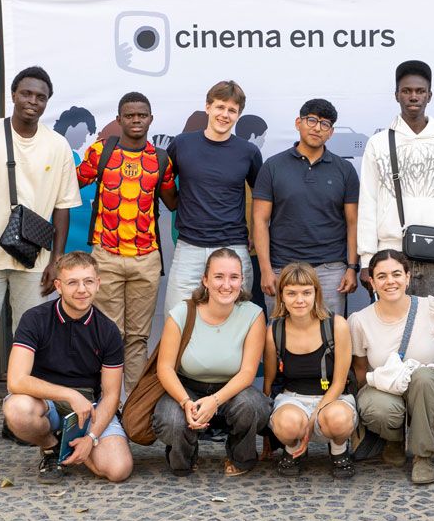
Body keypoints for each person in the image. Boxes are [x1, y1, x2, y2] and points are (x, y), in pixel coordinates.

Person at [0, 66, 81, 453]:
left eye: (40, 97)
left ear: (47, 102)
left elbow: (63, 207)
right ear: (13, 94)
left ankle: (17, 414)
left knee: (31, 340)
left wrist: (56, 261)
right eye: (26, 93)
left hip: (36, 262)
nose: (32, 101)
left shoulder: (57, 145)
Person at [2, 252, 133, 484]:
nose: (82, 289)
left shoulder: (108, 330)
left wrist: (90, 438)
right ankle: (51, 447)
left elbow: (112, 395)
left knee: (118, 470)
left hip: (89, 406)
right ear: (58, 286)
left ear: (98, 283)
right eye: (72, 282)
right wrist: (69, 395)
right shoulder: (35, 319)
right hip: (46, 401)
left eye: (88, 281)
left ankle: (73, 445)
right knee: (16, 410)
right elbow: (16, 380)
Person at [77, 92, 177, 392]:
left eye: (142, 115)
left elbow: (173, 202)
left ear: (151, 119)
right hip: (106, 255)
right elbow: (69, 183)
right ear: (119, 119)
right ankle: (107, 403)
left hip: (146, 260)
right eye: (130, 115)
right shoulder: (100, 152)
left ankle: (132, 406)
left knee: (137, 338)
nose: (136, 120)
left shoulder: (161, 159)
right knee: (109, 335)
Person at [356, 60, 434, 316]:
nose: (413, 97)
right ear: (396, 95)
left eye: (420, 91)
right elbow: (368, 202)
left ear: (429, 95)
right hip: (390, 255)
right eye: (406, 91)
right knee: (392, 329)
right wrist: (366, 259)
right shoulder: (379, 143)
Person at [152, 248, 270, 476]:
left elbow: (248, 372)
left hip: (233, 391)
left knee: (254, 407)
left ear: (242, 281)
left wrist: (215, 401)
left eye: (234, 277)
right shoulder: (181, 313)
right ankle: (184, 457)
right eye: (218, 277)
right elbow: (164, 368)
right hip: (187, 389)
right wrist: (186, 402)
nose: (226, 285)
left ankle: (241, 457)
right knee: (171, 421)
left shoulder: (253, 314)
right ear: (205, 280)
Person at [349, 249, 434, 484]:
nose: (390, 281)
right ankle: (393, 439)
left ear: (407, 277)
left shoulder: (430, 308)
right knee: (376, 407)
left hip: (430, 393)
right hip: (386, 392)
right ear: (372, 282)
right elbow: (360, 369)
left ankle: (423, 457)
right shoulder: (359, 321)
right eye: (382, 276)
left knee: (424, 376)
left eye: (396, 274)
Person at [253, 99, 360, 316]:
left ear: (331, 132)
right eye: (312, 120)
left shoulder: (345, 170)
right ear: (298, 123)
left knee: (330, 331)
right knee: (280, 332)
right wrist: (265, 270)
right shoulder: (273, 166)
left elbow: (353, 222)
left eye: (325, 124)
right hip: (282, 268)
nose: (317, 128)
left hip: (331, 271)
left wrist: (351, 268)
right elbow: (260, 221)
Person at [162, 81, 263, 310]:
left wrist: (255, 233)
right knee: (177, 318)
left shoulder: (248, 152)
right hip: (189, 246)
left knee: (237, 319)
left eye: (232, 110)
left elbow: (262, 197)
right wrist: (174, 203)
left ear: (238, 115)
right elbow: (163, 182)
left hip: (233, 247)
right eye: (220, 107)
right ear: (208, 107)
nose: (225, 115)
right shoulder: (182, 144)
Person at [264, 263, 358, 478]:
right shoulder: (274, 331)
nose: (300, 300)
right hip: (293, 398)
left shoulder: (336, 325)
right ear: (281, 296)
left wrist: (316, 414)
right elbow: (269, 382)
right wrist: (269, 433)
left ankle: (338, 449)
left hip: (334, 398)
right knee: (287, 424)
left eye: (306, 292)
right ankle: (293, 448)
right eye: (291, 293)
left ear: (317, 294)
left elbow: (340, 382)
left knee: (337, 419)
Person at [53, 106, 97, 254]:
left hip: (81, 226)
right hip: (63, 225)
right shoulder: (62, 155)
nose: (84, 139)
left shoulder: (75, 156)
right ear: (70, 128)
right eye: (83, 133)